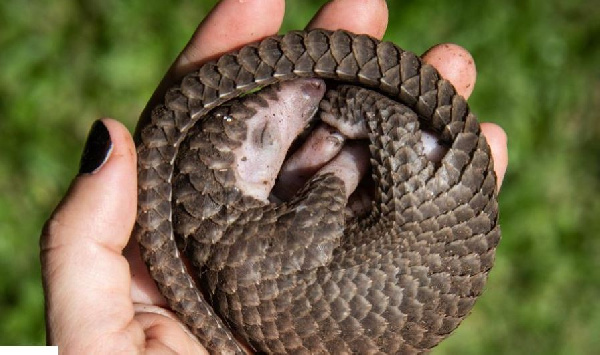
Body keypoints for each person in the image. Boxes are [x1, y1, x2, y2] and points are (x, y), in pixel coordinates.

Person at [40, 0, 508, 353]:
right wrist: (341, 159)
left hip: (416, 237)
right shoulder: (258, 261)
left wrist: (337, 157)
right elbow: (328, 195)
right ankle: (376, 117)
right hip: (435, 211)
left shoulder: (249, 262)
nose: (307, 96)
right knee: (384, 128)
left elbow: (324, 204)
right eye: (269, 132)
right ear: (249, 169)